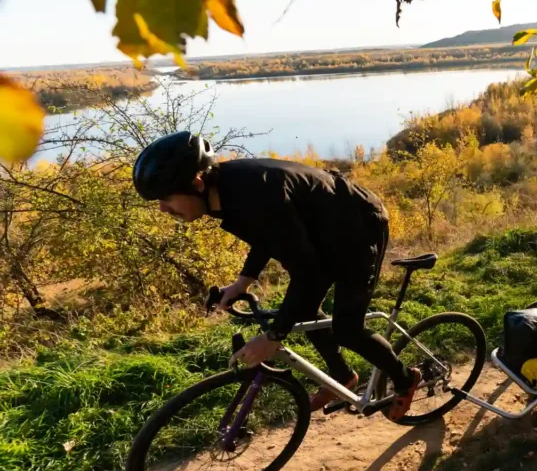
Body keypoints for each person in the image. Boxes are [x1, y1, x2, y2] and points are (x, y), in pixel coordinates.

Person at [132, 131, 420, 421]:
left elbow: (305, 272)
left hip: (359, 226)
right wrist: (243, 281)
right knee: (305, 309)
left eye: (167, 198)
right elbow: (267, 234)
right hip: (323, 227)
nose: (162, 208)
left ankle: (406, 379)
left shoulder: (254, 194)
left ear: (195, 183)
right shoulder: (223, 195)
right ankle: (342, 376)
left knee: (348, 328)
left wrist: (274, 336)